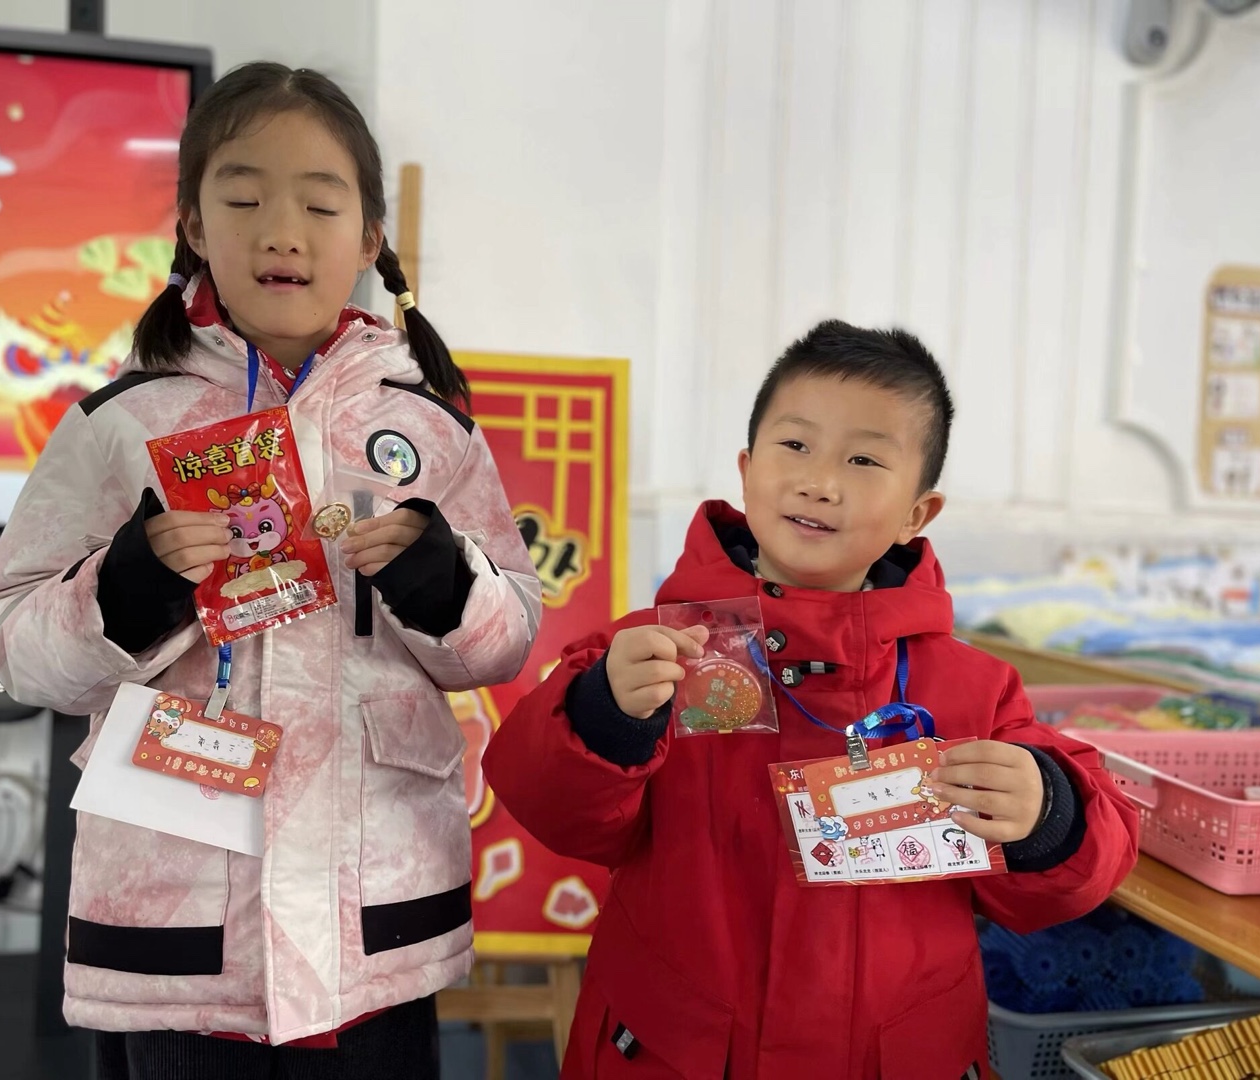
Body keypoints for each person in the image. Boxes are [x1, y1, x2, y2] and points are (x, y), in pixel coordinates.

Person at [0, 62, 542, 1080]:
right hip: (178, 935)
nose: (283, 231)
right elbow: (11, 642)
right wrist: (126, 589)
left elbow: (505, 643)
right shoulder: (118, 425)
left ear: (368, 238)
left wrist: (442, 584)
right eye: (243, 200)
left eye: (320, 205)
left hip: (377, 927)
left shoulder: (430, 429)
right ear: (194, 224)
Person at [482, 320, 1138, 1080]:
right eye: (794, 445)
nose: (819, 481)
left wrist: (1048, 815)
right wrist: (604, 714)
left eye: (863, 459)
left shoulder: (974, 690)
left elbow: (1085, 864)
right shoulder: (656, 649)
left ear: (916, 514)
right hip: (670, 1052)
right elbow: (548, 802)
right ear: (746, 470)